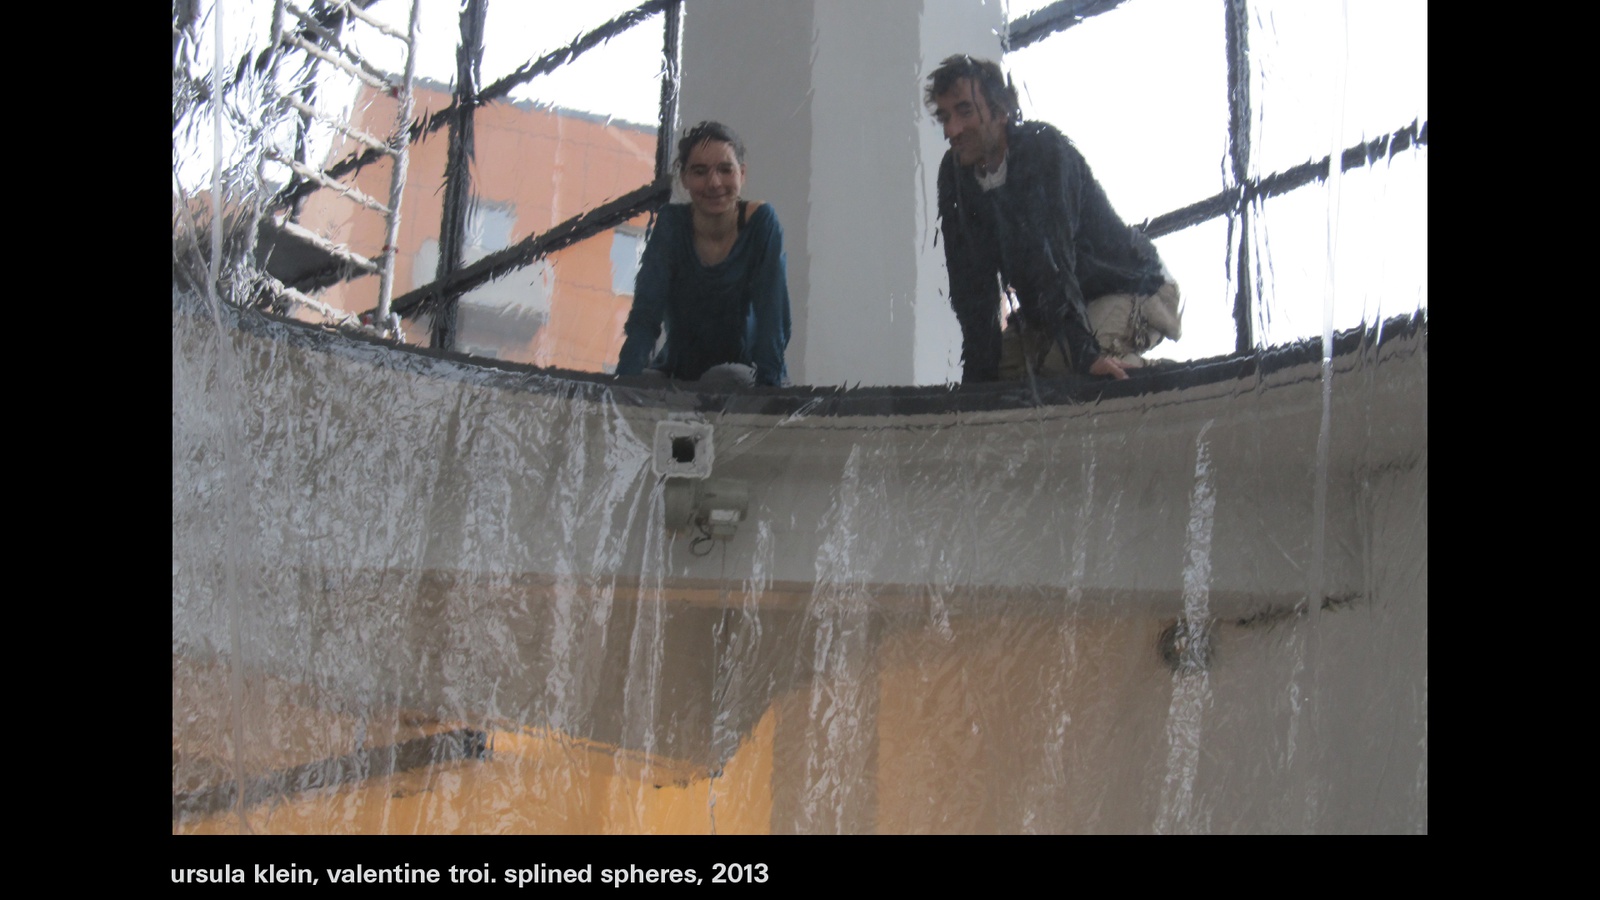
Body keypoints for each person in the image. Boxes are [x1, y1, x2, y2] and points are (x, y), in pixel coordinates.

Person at [926, 55, 1181, 384]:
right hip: (1060, 306)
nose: (952, 130)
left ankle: (1163, 378)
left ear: (1001, 112)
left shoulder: (1043, 149)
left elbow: (1054, 261)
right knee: (1002, 377)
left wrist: (1085, 355)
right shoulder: (955, 176)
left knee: (1078, 367)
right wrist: (976, 386)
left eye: (965, 111)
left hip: (1134, 285)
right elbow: (971, 288)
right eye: (945, 117)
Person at [615, 121, 792, 388]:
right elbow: (645, 317)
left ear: (742, 174)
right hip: (679, 373)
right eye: (700, 171)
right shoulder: (671, 224)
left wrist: (768, 397)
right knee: (647, 384)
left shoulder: (761, 222)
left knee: (723, 378)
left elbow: (773, 322)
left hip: (746, 375)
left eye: (725, 170)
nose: (714, 183)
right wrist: (620, 390)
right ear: (684, 178)